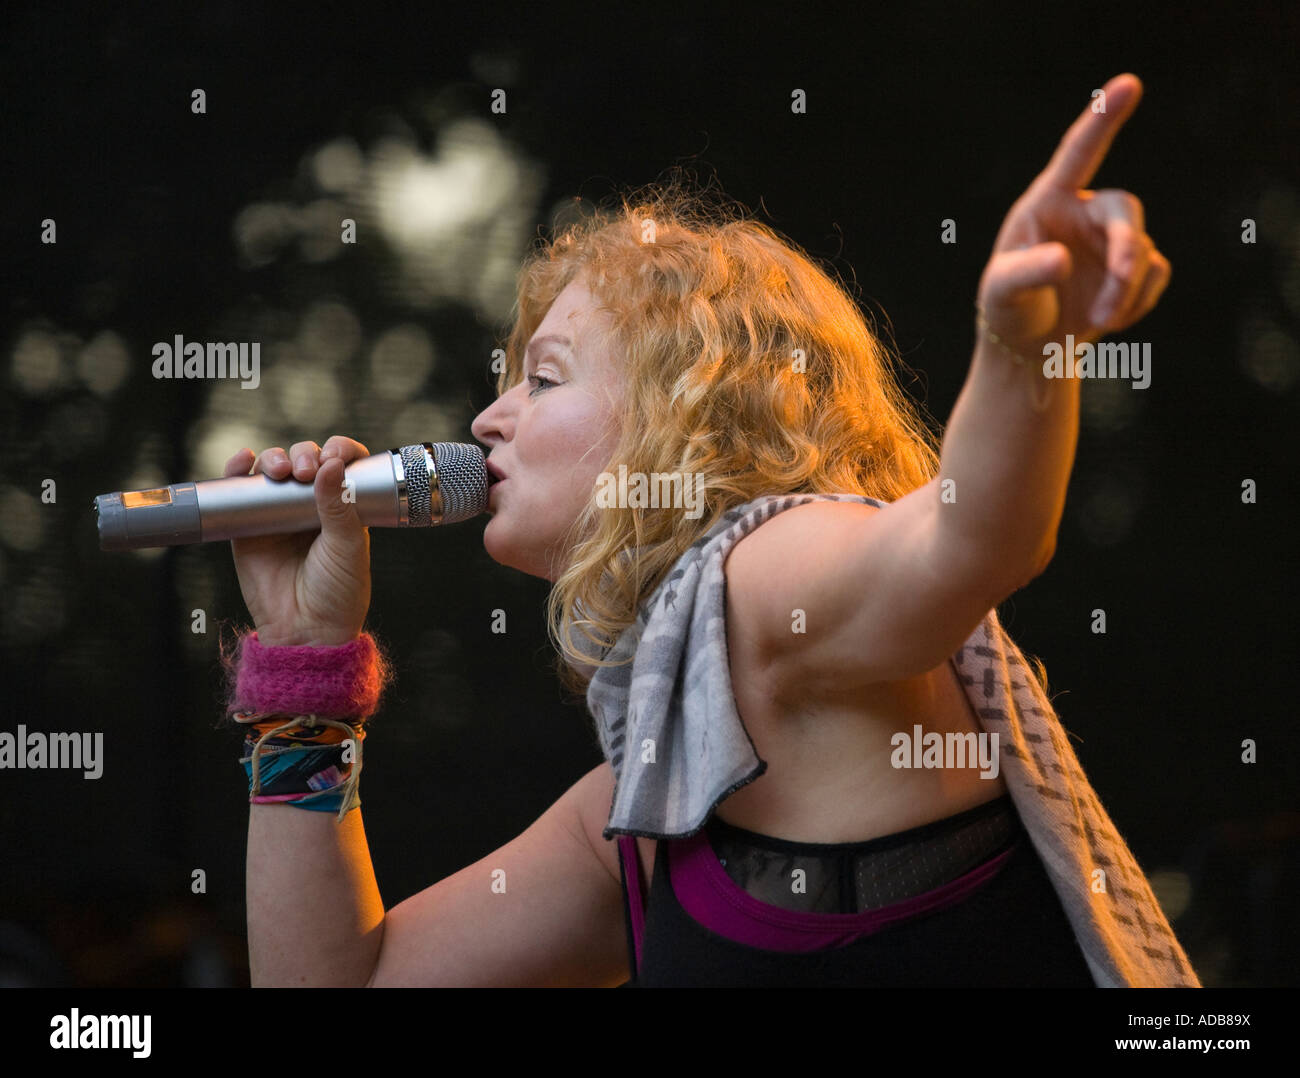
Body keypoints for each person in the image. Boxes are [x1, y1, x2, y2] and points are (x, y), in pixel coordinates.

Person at [224, 73, 1197, 986]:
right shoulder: (644, 814)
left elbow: (965, 542)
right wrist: (304, 675)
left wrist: (1022, 343)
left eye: (545, 377)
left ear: (690, 412)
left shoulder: (763, 574)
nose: (487, 421)